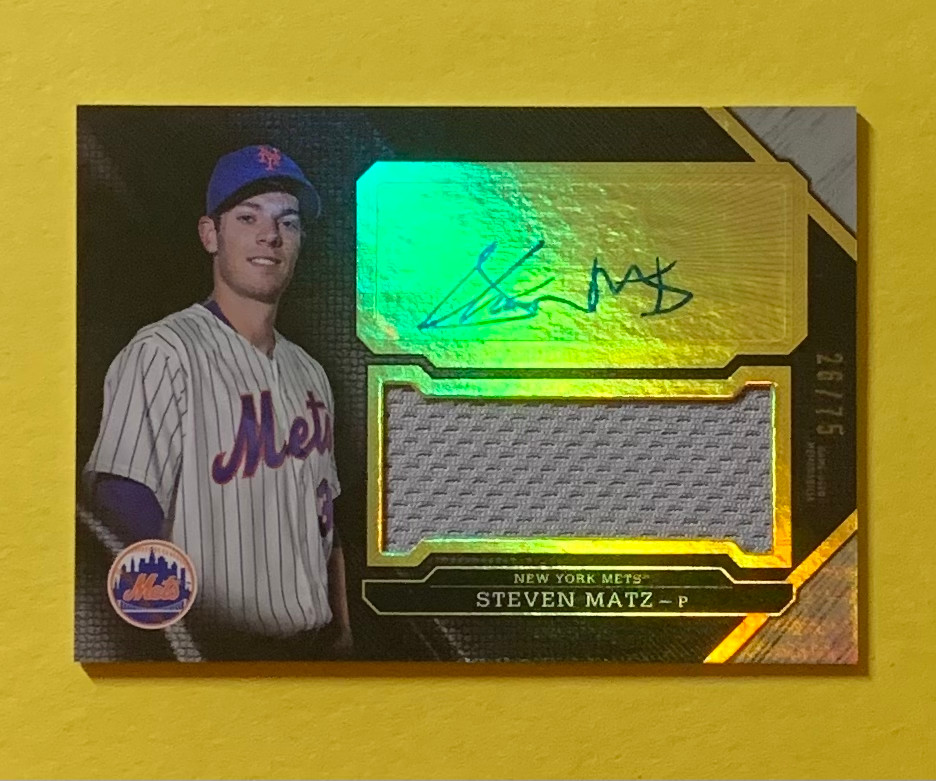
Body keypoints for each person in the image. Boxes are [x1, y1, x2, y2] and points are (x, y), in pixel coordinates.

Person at [83, 145, 351, 659]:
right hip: (218, 652)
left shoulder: (311, 373)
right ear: (210, 234)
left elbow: (326, 521)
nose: (270, 235)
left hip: (312, 652)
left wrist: (343, 630)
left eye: (288, 222)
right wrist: (166, 646)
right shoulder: (164, 352)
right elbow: (122, 511)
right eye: (248, 217)